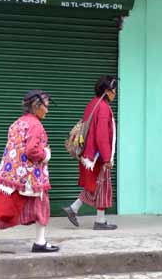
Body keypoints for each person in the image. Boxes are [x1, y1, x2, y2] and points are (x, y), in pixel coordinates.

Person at [0, 89, 59, 255]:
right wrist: (46, 154)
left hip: (10, 177)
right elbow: (32, 151)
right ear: (37, 106)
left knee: (1, 208)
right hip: (29, 179)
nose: (48, 110)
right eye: (46, 106)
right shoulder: (36, 125)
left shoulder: (18, 123)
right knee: (41, 206)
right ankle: (40, 242)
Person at [63, 75, 117, 230]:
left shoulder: (93, 103)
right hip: (97, 156)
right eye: (114, 90)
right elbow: (101, 135)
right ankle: (100, 221)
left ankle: (73, 209)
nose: (115, 94)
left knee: (95, 185)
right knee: (103, 186)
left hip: (89, 154)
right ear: (107, 91)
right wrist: (107, 158)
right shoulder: (103, 108)